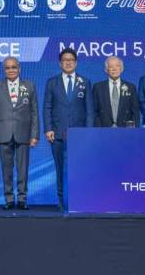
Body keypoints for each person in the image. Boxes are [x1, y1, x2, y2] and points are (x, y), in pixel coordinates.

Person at [43, 48, 93, 210]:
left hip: (79, 134)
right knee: (60, 168)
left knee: (80, 167)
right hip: (57, 133)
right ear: (60, 63)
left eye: (71, 60)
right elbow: (47, 107)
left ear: (76, 63)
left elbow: (89, 110)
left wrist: (88, 132)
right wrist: (48, 128)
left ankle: (79, 198)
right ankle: (62, 200)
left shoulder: (85, 82)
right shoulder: (52, 82)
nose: (68, 62)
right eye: (65, 60)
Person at [0, 56, 39, 210]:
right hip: (3, 133)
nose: (11, 70)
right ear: (4, 70)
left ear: (19, 68)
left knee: (23, 168)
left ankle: (22, 198)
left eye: (13, 67)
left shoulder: (29, 86)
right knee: (6, 169)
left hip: (23, 133)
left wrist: (34, 135)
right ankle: (9, 199)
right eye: (7, 68)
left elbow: (34, 112)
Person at [93, 56, 140, 127]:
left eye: (117, 66)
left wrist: (134, 129)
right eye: (111, 66)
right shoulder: (98, 87)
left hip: (125, 130)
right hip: (103, 129)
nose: (114, 69)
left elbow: (135, 112)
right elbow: (94, 112)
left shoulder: (131, 87)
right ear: (106, 70)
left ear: (121, 69)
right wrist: (99, 129)